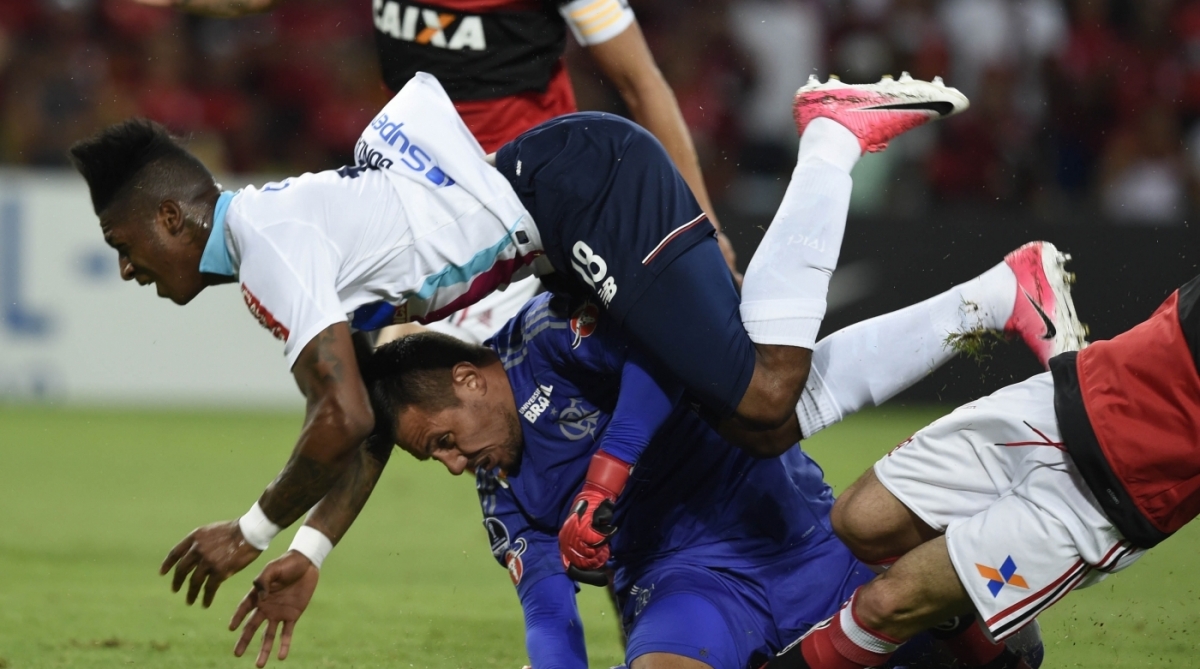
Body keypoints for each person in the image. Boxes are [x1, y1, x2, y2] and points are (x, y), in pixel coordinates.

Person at [65, 71, 1001, 610]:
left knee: (764, 395)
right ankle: (1000, 295)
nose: (127, 268)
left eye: (126, 245)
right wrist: (313, 548)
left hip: (580, 189)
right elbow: (372, 414)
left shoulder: (269, 243)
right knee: (756, 420)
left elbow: (341, 412)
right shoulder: (273, 238)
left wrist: (253, 529)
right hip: (558, 210)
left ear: (174, 217)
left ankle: (832, 138)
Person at [229, 281, 1054, 669]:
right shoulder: (505, 499)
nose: (451, 464)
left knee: (975, 633)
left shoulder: (553, 339)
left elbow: (664, 358)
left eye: (444, 439)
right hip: (683, 585)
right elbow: (548, 610)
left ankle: (983, 615)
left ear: (474, 378)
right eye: (433, 458)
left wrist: (607, 477)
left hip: (789, 529)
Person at [760, 274, 1200, 669]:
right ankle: (994, 652)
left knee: (887, 605)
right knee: (861, 520)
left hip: (1114, 490)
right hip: (1076, 387)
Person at [133, 0, 743, 283]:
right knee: (391, 383)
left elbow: (642, 84)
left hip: (531, 210)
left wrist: (704, 226)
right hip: (421, 195)